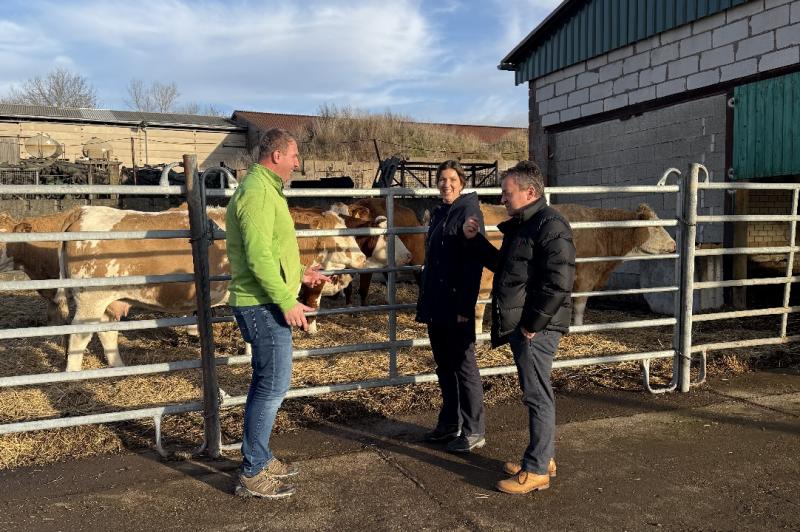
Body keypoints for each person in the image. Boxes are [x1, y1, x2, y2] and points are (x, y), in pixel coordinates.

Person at [226, 128, 329, 499]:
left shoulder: (267, 189)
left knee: (268, 382)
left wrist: (302, 274)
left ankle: (261, 456)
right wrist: (286, 301)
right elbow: (257, 258)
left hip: (266, 299)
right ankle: (253, 471)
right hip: (262, 304)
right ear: (277, 156)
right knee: (272, 385)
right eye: (294, 155)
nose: (298, 162)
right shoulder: (255, 193)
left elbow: (272, 250)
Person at [463, 160, 575, 495]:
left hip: (536, 328)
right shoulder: (527, 223)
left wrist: (532, 324)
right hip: (527, 324)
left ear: (529, 192)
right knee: (536, 392)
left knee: (537, 394)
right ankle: (543, 457)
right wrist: (476, 241)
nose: (502, 199)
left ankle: (538, 470)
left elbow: (560, 282)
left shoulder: (551, 225)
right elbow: (505, 267)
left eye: (507, 193)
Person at [416, 160, 486, 453]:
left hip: (456, 303)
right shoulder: (440, 213)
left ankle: (474, 430)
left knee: (464, 366)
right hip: (436, 303)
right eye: (442, 179)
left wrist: (464, 306)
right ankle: (449, 423)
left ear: (462, 182)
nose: (446, 184)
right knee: (444, 366)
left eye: (452, 179)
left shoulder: (469, 212)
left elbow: (472, 264)